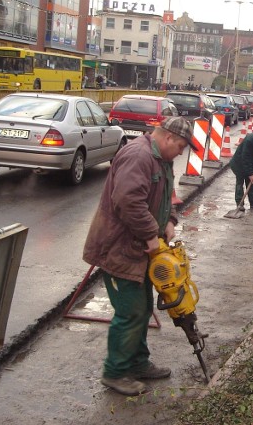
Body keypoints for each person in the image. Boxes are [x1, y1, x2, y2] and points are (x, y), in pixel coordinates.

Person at [82, 117, 196, 396]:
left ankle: (138, 362)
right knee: (131, 311)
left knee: (143, 308)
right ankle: (115, 372)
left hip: (141, 251)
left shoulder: (161, 159)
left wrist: (169, 220)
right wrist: (149, 235)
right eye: (180, 147)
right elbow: (128, 201)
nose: (181, 152)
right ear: (167, 138)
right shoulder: (139, 156)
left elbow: (166, 195)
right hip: (120, 248)